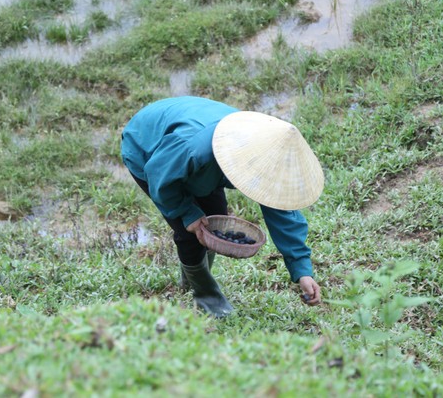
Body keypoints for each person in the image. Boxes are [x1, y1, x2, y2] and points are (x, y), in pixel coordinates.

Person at [120, 96, 325, 318]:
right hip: (147, 148)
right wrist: (188, 213)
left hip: (194, 148)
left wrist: (302, 270)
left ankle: (190, 279)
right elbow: (159, 176)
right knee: (189, 231)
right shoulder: (194, 147)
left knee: (213, 216)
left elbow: (280, 210)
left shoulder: (262, 154)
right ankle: (206, 297)